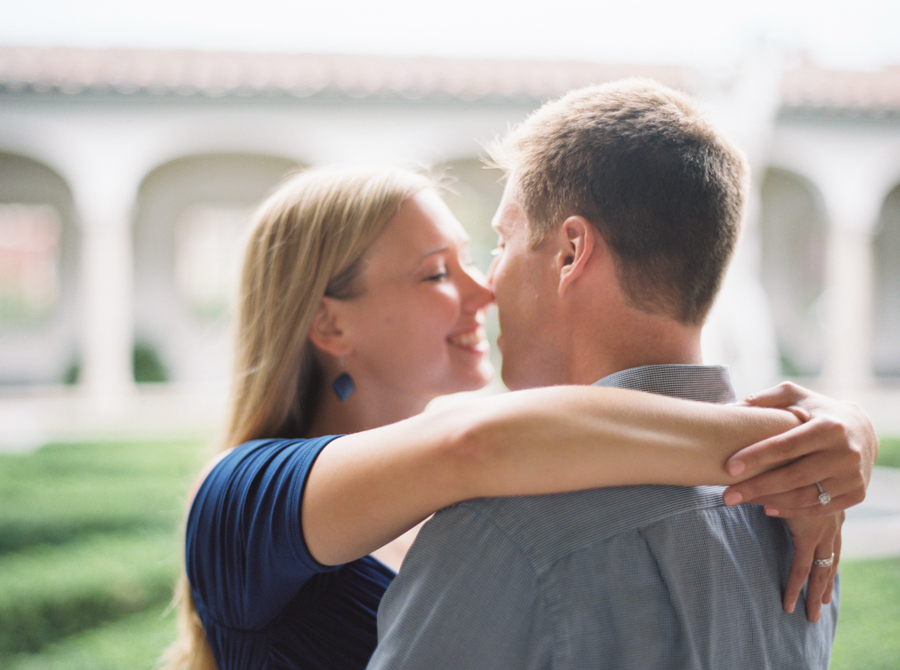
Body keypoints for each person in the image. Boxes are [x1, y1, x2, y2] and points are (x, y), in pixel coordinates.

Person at [164, 165, 874, 670]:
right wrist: (801, 445)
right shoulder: (238, 500)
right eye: (437, 273)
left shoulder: (512, 474)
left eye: (478, 258)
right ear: (329, 323)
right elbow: (477, 443)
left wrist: (834, 434)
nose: (486, 290)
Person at [367, 80, 876, 670]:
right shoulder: (807, 520)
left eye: (501, 243)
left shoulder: (503, 535)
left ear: (570, 253)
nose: (486, 285)